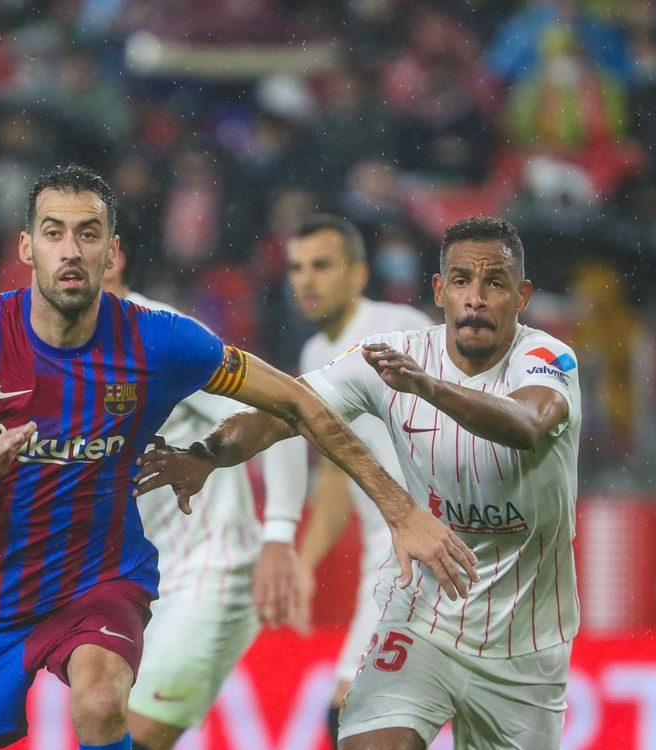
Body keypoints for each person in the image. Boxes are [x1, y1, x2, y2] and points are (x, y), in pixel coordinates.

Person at [0, 165, 476, 750]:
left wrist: (401, 513)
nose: (71, 250)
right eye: (53, 232)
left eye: (88, 234)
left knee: (100, 702)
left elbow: (298, 401)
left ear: (111, 250)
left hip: (100, 582)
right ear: (26, 247)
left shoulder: (159, 339)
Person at [138, 216, 580, 750]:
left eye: (495, 283)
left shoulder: (546, 358)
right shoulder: (384, 354)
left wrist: (427, 387)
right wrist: (207, 454)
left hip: (525, 645)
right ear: (440, 291)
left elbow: (525, 425)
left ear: (522, 294)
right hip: (424, 619)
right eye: (461, 281)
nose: (476, 299)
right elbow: (286, 413)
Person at [101, 244, 284, 750]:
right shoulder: (62, 353)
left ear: (112, 258)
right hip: (135, 584)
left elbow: (280, 408)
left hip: (212, 569)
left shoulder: (163, 337)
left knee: (139, 738)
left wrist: (280, 534)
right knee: (104, 728)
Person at [261, 215, 433, 747]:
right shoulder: (315, 355)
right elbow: (336, 476)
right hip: (387, 561)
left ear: (358, 274)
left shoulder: (399, 329)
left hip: (424, 552)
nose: (306, 280)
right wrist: (302, 564)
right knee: (365, 722)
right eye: (297, 268)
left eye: (322, 266)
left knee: (357, 717)